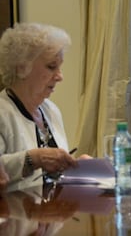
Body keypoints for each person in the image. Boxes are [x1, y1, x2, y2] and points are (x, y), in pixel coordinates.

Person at [0, 22, 78, 191]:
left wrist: (79, 168)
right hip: (13, 214)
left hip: (52, 212)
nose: (60, 76)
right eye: (51, 67)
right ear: (22, 68)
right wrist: (32, 159)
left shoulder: (51, 110)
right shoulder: (2, 112)